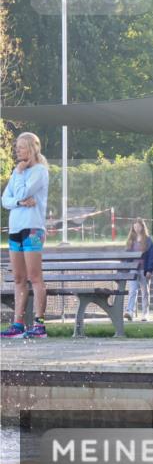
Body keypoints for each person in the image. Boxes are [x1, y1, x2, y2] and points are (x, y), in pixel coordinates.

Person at [1, 132, 50, 339]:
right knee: (19, 278)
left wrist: (19, 178)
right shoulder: (17, 171)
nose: (17, 150)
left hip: (32, 229)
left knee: (34, 277)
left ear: (31, 148)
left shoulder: (39, 171)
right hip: (15, 229)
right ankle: (18, 324)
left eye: (21, 147)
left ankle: (39, 324)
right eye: (17, 147)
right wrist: (20, 202)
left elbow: (20, 192)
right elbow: (5, 200)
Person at [124, 218, 153, 321]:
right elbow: (126, 256)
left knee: (145, 292)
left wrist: (149, 270)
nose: (137, 228)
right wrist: (126, 268)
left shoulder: (148, 240)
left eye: (139, 226)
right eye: (135, 226)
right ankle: (130, 312)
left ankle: (145, 314)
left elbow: (151, 256)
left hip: (144, 270)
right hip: (133, 269)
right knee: (132, 291)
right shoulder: (130, 240)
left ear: (142, 227)